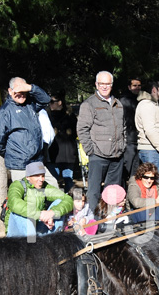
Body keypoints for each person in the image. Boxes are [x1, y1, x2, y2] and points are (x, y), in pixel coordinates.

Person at [0, 77, 54, 184]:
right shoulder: (4, 112)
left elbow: (45, 100)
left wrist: (31, 87)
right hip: (19, 164)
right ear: (10, 91)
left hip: (37, 161)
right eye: (18, 91)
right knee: (28, 195)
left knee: (53, 187)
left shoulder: (30, 104)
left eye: (24, 92)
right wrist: (12, 153)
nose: (21, 94)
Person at [77, 71, 126, 212]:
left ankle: (109, 219)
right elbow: (82, 130)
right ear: (96, 85)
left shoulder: (118, 104)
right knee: (94, 191)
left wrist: (122, 146)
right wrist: (91, 151)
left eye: (107, 84)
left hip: (117, 155)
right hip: (98, 155)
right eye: (101, 84)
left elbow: (123, 127)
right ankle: (93, 220)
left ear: (112, 85)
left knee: (112, 192)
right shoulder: (89, 104)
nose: (104, 87)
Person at [4, 162, 73, 237]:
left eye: (42, 176)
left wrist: (51, 213)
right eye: (37, 176)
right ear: (28, 177)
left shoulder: (44, 186)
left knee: (59, 202)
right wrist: (39, 214)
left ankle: (54, 239)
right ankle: (31, 246)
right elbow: (15, 203)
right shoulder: (17, 185)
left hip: (38, 227)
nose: (41, 179)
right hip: (19, 232)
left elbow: (68, 200)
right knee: (27, 217)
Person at [46, 93, 78, 191]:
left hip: (67, 154)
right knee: (52, 182)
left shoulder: (70, 116)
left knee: (68, 180)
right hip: (53, 155)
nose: (50, 104)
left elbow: (75, 133)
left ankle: (70, 202)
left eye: (52, 102)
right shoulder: (47, 116)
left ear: (59, 103)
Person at [135, 81, 159, 174]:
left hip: (152, 150)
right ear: (154, 90)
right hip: (151, 150)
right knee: (151, 183)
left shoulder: (151, 104)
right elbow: (150, 130)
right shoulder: (147, 105)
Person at [119, 77, 142, 182]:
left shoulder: (139, 100)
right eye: (134, 85)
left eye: (139, 85)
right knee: (126, 170)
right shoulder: (124, 101)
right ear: (129, 87)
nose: (137, 88)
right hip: (128, 140)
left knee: (135, 171)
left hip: (137, 140)